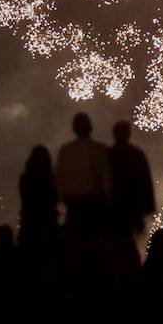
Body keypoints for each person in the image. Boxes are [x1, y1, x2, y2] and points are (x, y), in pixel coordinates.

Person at [57, 112, 112, 281]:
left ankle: (74, 280)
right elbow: (107, 179)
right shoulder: (100, 149)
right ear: (90, 127)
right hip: (95, 202)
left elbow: (59, 179)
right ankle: (98, 279)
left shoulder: (66, 151)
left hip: (74, 204)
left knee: (74, 245)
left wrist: (63, 199)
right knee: (97, 243)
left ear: (74, 129)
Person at [108, 120, 155, 275]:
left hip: (113, 209)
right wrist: (145, 210)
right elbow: (145, 183)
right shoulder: (136, 155)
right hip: (131, 209)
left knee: (116, 245)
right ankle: (133, 275)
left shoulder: (107, 155)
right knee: (128, 244)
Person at [18, 145, 59, 281]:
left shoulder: (25, 178)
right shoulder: (51, 178)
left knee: (29, 254)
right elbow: (55, 197)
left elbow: (25, 198)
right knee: (47, 254)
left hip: (29, 220)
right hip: (47, 220)